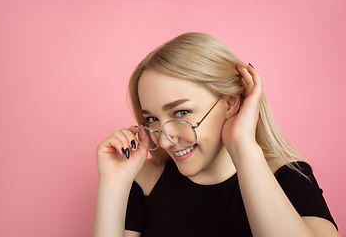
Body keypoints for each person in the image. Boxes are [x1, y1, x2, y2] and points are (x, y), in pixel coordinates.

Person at [92, 32, 339, 237]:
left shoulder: (289, 176)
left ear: (230, 103)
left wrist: (242, 145)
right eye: (152, 119)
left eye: (181, 112)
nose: (165, 140)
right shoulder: (145, 181)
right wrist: (113, 186)